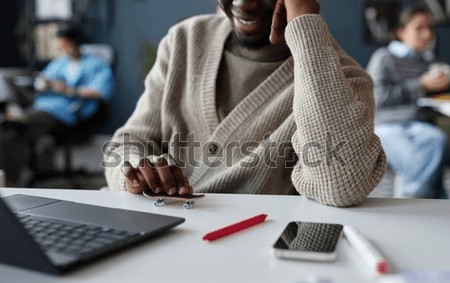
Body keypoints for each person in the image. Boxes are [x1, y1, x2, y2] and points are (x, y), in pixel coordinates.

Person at [104, 0, 386, 207]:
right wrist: (136, 171)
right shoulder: (184, 40)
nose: (244, 4)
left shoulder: (346, 80)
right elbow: (130, 140)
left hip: (259, 251)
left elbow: (340, 186)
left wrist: (304, 20)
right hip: (166, 231)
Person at [0, 25, 114, 185]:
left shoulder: (96, 65)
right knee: (4, 77)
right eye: (60, 43)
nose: (61, 47)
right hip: (40, 101)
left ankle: (10, 181)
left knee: (10, 129)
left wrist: (69, 90)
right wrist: (43, 84)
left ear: (76, 42)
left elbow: (101, 91)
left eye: (65, 43)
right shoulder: (60, 62)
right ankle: (12, 108)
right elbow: (42, 80)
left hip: (63, 110)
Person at [366, 5, 450, 198]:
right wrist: (421, 84)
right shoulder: (383, 58)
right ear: (401, 32)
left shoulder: (428, 62)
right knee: (426, 152)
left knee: (436, 140)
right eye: (419, 28)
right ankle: (421, 200)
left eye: (430, 27)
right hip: (387, 126)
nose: (427, 34)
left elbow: (426, 102)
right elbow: (377, 98)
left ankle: (417, 201)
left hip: (420, 126)